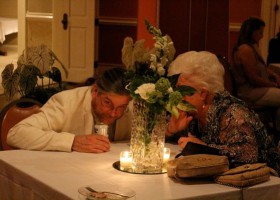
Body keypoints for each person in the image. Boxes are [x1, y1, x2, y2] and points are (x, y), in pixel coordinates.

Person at [166, 51, 280, 174]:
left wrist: (201, 148)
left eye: (183, 91)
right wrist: (171, 131)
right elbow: (181, 141)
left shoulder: (233, 113)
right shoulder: (194, 112)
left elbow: (247, 156)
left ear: (203, 93)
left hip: (266, 184)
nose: (179, 97)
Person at [7, 67, 132, 153]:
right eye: (107, 102)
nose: (113, 113)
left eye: (121, 107)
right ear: (95, 91)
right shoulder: (66, 102)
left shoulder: (133, 109)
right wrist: (73, 142)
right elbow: (16, 134)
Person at [232, 17, 280, 135]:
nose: (262, 36)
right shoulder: (245, 50)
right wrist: (273, 85)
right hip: (250, 93)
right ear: (251, 32)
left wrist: (274, 75)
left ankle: (276, 131)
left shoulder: (252, 47)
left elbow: (261, 67)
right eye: (260, 32)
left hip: (257, 89)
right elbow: (253, 78)